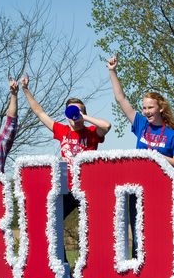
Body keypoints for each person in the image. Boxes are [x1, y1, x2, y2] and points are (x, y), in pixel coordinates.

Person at [107, 54, 174, 256]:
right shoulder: (141, 124)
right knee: (138, 230)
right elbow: (121, 99)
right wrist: (112, 72)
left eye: (150, 107)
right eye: (144, 107)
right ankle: (139, 272)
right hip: (138, 188)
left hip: (162, 189)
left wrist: (155, 157)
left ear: (160, 108)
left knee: (160, 231)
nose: (146, 111)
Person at [21, 74, 111, 218]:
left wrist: (83, 116)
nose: (74, 116)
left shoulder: (92, 132)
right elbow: (39, 112)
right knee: (53, 220)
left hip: (87, 187)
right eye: (71, 112)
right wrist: (25, 89)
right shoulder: (62, 130)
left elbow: (106, 126)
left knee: (91, 225)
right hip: (66, 187)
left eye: (78, 111)